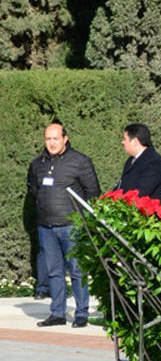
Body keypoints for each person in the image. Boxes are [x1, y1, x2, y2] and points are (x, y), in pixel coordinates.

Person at [27, 121, 100, 328]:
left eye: (55, 138)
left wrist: (83, 220)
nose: (51, 143)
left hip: (72, 226)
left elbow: (93, 192)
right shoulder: (37, 164)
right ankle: (57, 313)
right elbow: (34, 190)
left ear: (65, 139)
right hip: (46, 227)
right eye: (48, 139)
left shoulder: (80, 161)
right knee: (54, 272)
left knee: (77, 271)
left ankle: (81, 313)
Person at [115, 123, 161, 200]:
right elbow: (121, 186)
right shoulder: (131, 160)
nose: (122, 142)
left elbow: (140, 193)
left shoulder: (154, 163)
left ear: (135, 142)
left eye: (125, 139)